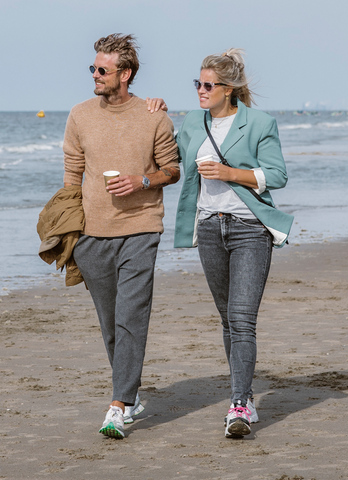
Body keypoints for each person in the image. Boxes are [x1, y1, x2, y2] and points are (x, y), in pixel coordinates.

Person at [63, 33, 180, 439]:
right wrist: (70, 232)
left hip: (141, 230)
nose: (95, 75)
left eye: (102, 70)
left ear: (125, 74)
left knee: (132, 317)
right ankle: (129, 394)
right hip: (92, 236)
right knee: (111, 323)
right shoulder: (79, 115)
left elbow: (173, 170)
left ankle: (117, 407)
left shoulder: (154, 117)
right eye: (93, 68)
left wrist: (142, 180)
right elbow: (72, 173)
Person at [172, 49, 294, 438]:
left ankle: (240, 404)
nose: (201, 91)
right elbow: (169, 158)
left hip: (249, 229)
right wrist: (152, 113)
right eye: (198, 84)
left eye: (208, 85)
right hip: (209, 228)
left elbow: (277, 175)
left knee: (242, 319)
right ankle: (244, 395)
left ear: (229, 90)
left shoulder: (259, 123)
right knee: (228, 319)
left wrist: (229, 173)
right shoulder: (193, 122)